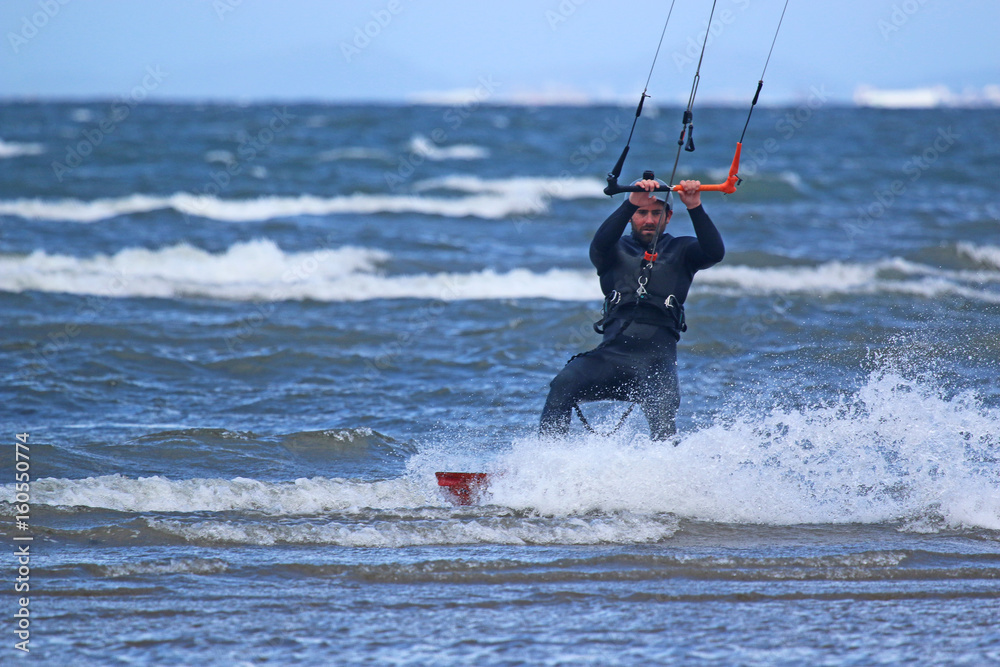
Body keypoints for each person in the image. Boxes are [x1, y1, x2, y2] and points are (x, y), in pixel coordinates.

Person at [538, 178, 725, 441]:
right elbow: (599, 244)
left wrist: (694, 206)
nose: (649, 220)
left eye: (656, 213)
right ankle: (547, 459)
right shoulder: (612, 251)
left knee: (664, 414)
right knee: (562, 384)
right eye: (641, 213)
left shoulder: (683, 250)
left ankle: (667, 474)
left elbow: (715, 252)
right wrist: (629, 203)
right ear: (631, 217)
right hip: (609, 359)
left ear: (668, 217)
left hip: (656, 365)